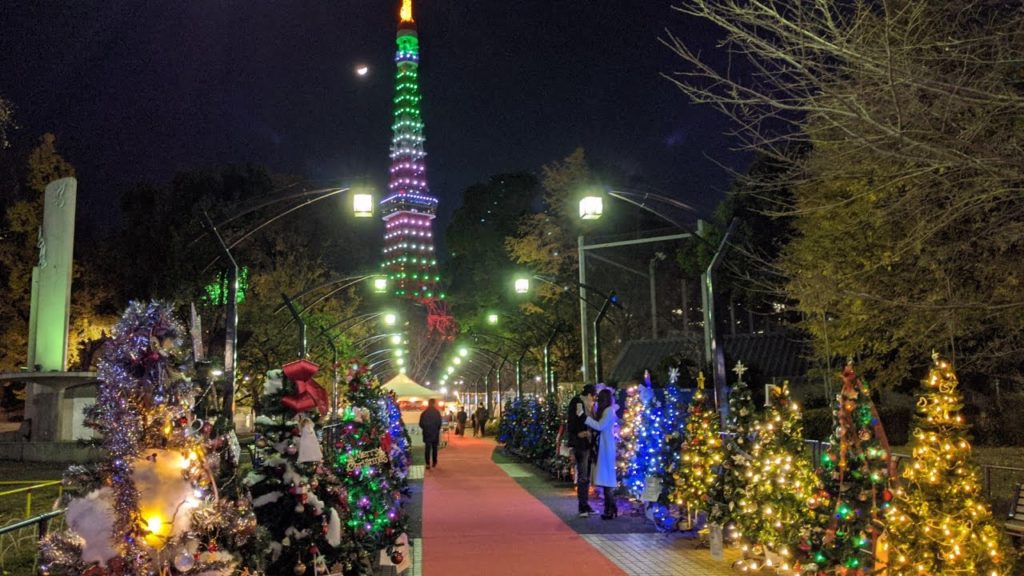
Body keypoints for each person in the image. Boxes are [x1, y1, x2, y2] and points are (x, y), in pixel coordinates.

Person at [586, 388, 619, 519]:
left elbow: (600, 426)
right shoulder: (606, 410)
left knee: (607, 480)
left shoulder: (609, 411)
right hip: (604, 447)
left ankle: (609, 509)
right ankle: (611, 507)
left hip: (606, 448)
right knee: (606, 480)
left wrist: (586, 418)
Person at [565, 384, 596, 517]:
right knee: (583, 476)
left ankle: (585, 504)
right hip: (581, 443)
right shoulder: (578, 402)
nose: (594, 400)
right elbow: (576, 420)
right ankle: (582, 506)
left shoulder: (583, 403)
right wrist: (578, 433)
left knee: (585, 475)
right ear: (589, 395)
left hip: (586, 443)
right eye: (593, 397)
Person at [419, 398, 443, 469]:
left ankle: (427, 464)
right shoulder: (437, 413)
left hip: (427, 433)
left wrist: (425, 428)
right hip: (435, 433)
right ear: (434, 403)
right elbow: (439, 423)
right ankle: (434, 462)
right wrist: (437, 429)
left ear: (428, 403)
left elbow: (420, 424)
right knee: (434, 448)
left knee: (427, 449)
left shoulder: (424, 413)